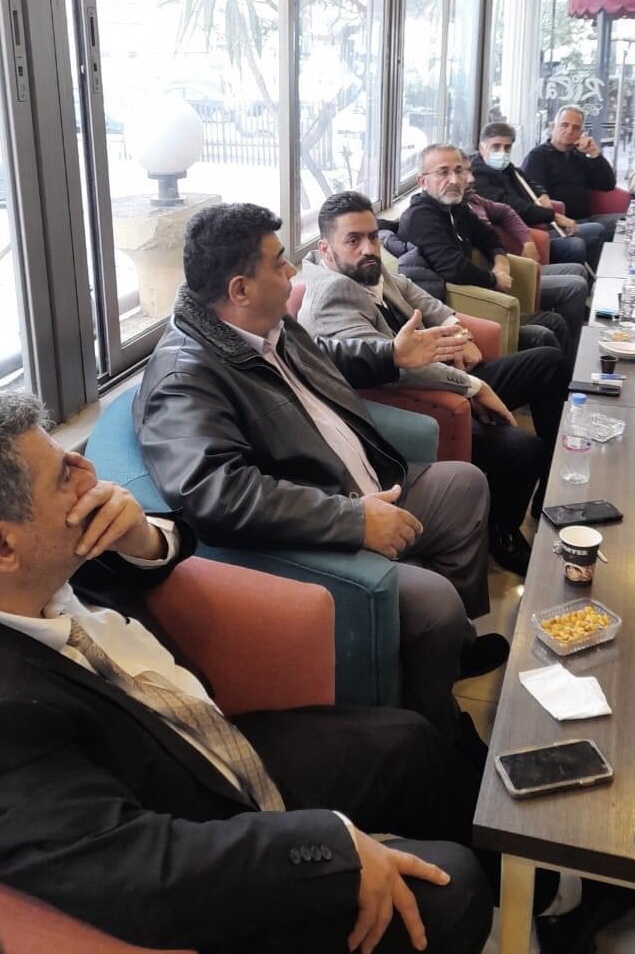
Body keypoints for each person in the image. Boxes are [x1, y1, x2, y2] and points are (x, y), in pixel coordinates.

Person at [0, 390, 495, 954]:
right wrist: (333, 847)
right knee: (454, 889)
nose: (88, 470)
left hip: (209, 740)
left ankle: (530, 874)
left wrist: (143, 536)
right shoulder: (10, 713)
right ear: (4, 547)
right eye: (65, 473)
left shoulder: (46, 568)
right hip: (194, 822)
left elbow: (159, 553)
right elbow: (131, 867)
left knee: (411, 741)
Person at [133, 202, 508, 748]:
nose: (292, 271)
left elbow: (326, 355)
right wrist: (353, 520)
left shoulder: (268, 324)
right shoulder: (184, 377)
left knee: (466, 487)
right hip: (322, 523)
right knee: (434, 604)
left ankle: (451, 651)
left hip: (363, 482)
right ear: (240, 289)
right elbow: (217, 493)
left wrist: (391, 354)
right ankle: (437, 727)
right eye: (279, 262)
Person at [299, 190, 568, 576]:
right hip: (414, 399)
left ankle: (557, 480)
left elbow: (416, 295)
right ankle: (503, 534)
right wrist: (471, 386)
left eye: (372, 236)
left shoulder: (368, 268)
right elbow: (394, 366)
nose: (369, 248)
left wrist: (457, 330)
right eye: (353, 240)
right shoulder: (332, 296)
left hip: (441, 373)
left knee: (548, 361)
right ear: (326, 249)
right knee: (523, 449)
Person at [397, 143, 587, 367]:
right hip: (454, 309)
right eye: (443, 172)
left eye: (459, 171)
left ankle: (572, 376)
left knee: (555, 318)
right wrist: (494, 279)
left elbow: (490, 237)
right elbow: (454, 269)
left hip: (482, 296)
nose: (455, 180)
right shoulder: (421, 217)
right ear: (422, 181)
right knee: (548, 328)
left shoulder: (456, 208)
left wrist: (500, 262)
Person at [471, 121, 605, 272]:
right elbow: (513, 206)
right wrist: (553, 216)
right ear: (482, 147)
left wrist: (542, 193)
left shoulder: (507, 168)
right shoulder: (477, 176)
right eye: (496, 147)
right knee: (575, 245)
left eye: (507, 147)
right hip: (520, 234)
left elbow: (531, 182)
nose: (502, 152)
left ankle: (592, 282)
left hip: (537, 225)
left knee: (596, 230)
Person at [522, 105, 622, 240]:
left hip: (586, 219)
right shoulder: (538, 156)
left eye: (576, 128)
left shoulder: (580, 155)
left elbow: (608, 185)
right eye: (564, 125)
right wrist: (558, 218)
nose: (569, 131)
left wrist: (595, 154)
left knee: (626, 222)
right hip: (556, 225)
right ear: (553, 127)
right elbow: (534, 198)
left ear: (581, 132)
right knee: (597, 229)